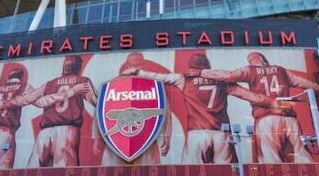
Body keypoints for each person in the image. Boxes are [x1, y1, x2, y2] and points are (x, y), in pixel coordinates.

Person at [124, 52, 290, 164]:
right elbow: (253, 97)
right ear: (207, 67)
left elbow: (158, 77)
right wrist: (276, 103)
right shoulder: (223, 82)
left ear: (191, 67)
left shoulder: (183, 79)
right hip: (222, 135)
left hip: (196, 134)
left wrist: (137, 72)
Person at [192, 52, 319, 163]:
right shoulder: (282, 71)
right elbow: (309, 85)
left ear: (254, 61)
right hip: (289, 118)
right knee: (301, 153)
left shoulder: (250, 70)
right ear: (263, 60)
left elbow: (227, 76)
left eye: (250, 60)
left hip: (266, 118)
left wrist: (201, 72)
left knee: (269, 158)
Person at [96, 52, 173, 166]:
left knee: (151, 175)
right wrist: (97, 137)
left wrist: (167, 135)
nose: (135, 68)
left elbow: (164, 109)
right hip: (116, 142)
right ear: (127, 65)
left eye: (139, 65)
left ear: (144, 65)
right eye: (133, 65)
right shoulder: (113, 84)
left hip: (147, 140)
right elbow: (101, 110)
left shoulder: (153, 85)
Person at [27, 55, 97, 168]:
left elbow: (31, 99)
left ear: (64, 66)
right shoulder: (82, 81)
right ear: (78, 68)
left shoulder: (50, 83)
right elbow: (96, 102)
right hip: (67, 130)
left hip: (44, 132)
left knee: (33, 171)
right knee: (64, 173)